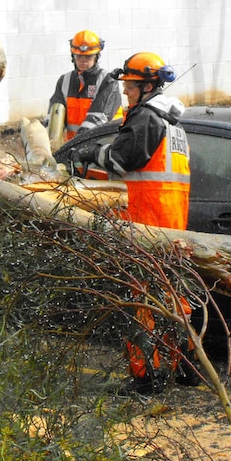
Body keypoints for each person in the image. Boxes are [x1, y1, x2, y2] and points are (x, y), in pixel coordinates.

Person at [77, 51, 195, 394]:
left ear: (146, 86)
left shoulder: (145, 118)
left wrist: (89, 153)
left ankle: (144, 379)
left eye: (129, 85)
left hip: (144, 226)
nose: (125, 91)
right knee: (174, 302)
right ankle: (184, 369)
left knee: (139, 304)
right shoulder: (173, 124)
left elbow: (120, 159)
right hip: (172, 226)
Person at [46, 30, 123, 143]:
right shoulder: (64, 81)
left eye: (88, 57)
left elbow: (98, 119)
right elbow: (53, 118)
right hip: (75, 147)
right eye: (79, 56)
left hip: (104, 145)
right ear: (73, 56)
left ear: (96, 56)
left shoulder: (107, 81)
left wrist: (75, 145)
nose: (83, 60)